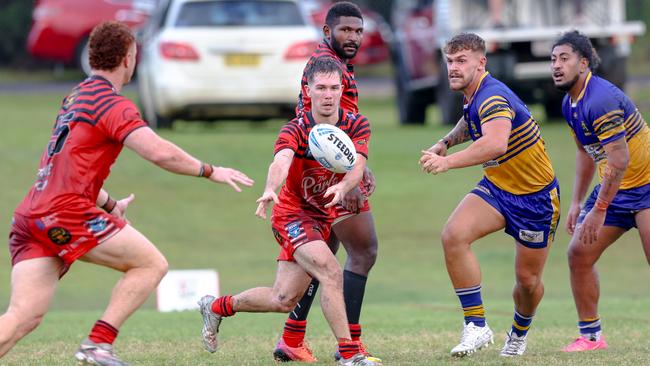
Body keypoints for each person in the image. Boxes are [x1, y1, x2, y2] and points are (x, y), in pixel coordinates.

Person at [0, 21, 254, 365]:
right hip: (64, 212)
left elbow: (68, 167)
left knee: (23, 316)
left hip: (31, 215)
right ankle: (98, 344)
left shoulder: (75, 96)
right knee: (150, 264)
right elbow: (159, 152)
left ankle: (97, 345)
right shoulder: (112, 104)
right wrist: (210, 170)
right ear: (127, 59)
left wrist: (109, 203)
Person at [197, 57, 381, 366]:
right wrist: (271, 188)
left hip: (324, 217)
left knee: (282, 299)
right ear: (307, 90)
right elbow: (281, 160)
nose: (328, 95)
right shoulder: (296, 128)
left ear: (342, 89)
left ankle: (216, 307)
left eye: (334, 88)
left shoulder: (356, 124)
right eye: (320, 88)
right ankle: (350, 355)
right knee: (332, 272)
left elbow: (358, 166)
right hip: (292, 215)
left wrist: (346, 186)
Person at [419, 32, 560, 357]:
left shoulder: (493, 96)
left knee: (527, 281)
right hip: (498, 188)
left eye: (461, 61)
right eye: (450, 61)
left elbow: (496, 142)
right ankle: (477, 326)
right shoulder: (474, 93)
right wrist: (447, 141)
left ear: (481, 63)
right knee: (453, 235)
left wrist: (448, 162)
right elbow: (471, 121)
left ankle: (519, 333)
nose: (453, 68)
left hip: (534, 199)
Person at [274, 2, 380, 362]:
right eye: (345, 30)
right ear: (327, 32)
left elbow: (344, 129)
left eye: (358, 31)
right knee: (364, 251)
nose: (352, 37)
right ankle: (351, 345)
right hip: (330, 179)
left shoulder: (335, 65)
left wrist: (359, 166)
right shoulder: (328, 67)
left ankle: (292, 337)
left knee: (326, 255)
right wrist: (348, 179)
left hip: (330, 177)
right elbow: (317, 125)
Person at [551, 30, 650, 352]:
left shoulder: (600, 99)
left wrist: (600, 208)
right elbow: (585, 152)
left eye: (564, 58)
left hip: (646, 186)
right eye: (553, 59)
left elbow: (619, 160)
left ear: (583, 63)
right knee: (579, 254)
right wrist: (579, 202)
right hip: (617, 189)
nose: (556, 65)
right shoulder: (570, 103)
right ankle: (591, 337)